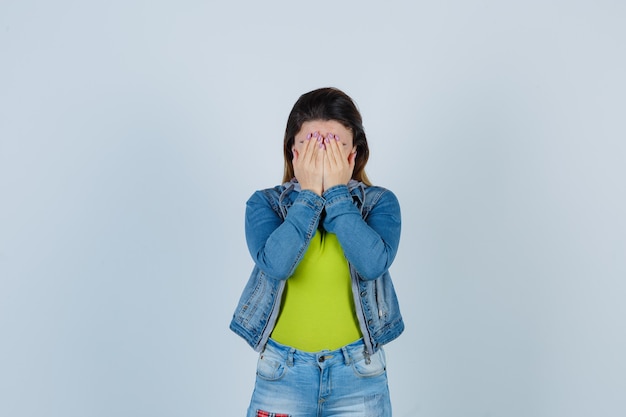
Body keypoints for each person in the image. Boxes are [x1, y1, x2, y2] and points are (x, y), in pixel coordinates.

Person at [230, 87, 404, 417]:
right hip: (282, 373)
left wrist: (337, 193)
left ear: (353, 153)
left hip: (359, 375)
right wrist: (310, 194)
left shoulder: (381, 203)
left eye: (334, 147)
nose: (322, 156)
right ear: (293, 151)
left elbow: (373, 263)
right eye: (311, 146)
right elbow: (276, 265)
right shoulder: (264, 204)